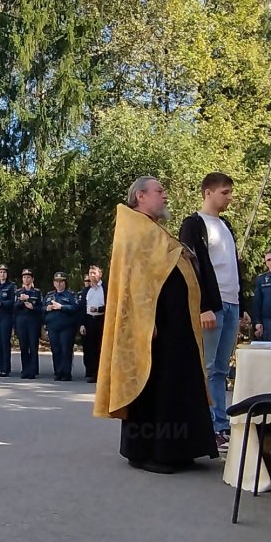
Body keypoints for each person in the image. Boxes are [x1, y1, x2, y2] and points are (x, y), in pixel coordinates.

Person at [94, 176, 218, 474]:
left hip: (175, 327)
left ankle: (178, 449)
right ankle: (147, 452)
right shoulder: (134, 230)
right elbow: (136, 284)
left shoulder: (152, 229)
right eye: (159, 191)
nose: (165, 196)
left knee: (175, 385)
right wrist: (144, 323)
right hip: (153, 328)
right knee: (154, 387)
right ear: (140, 196)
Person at [178, 172, 246, 452]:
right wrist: (203, 306)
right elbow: (193, 269)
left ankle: (220, 423)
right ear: (208, 192)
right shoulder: (193, 225)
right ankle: (210, 426)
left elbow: (232, 266)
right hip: (211, 307)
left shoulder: (226, 225)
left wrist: (244, 307)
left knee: (220, 368)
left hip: (232, 303)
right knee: (207, 368)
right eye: (225, 192)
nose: (229, 198)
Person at [45, 272, 78, 381]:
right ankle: (58, 372)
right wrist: (46, 308)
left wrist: (62, 307)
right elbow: (41, 308)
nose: (59, 284)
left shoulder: (70, 295)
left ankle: (66, 373)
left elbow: (75, 308)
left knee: (66, 349)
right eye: (57, 282)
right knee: (56, 350)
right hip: (52, 327)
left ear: (65, 283)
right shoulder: (49, 295)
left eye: (61, 282)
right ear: (54, 283)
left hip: (66, 327)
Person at [14, 269, 43, 379]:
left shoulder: (37, 292)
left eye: (28, 277)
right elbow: (14, 308)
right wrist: (21, 301)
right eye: (24, 277)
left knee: (33, 346)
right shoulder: (18, 292)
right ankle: (25, 369)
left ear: (32, 279)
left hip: (33, 322)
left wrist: (33, 307)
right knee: (23, 346)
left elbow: (42, 308)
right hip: (21, 322)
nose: (26, 279)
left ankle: (33, 370)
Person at [79, 265, 106, 383]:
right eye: (90, 273)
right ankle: (90, 372)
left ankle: (100, 373)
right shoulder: (86, 290)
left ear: (100, 274)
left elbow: (111, 305)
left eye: (94, 273)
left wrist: (99, 309)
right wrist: (81, 324)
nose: (92, 275)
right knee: (89, 347)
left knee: (100, 347)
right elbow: (81, 309)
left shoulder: (105, 288)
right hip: (89, 321)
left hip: (101, 320)